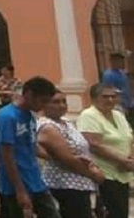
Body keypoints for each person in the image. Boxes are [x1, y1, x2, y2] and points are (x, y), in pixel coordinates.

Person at [0, 76, 61, 218]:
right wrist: (20, 189)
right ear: (29, 95)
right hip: (16, 184)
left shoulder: (29, 116)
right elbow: (7, 155)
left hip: (34, 179)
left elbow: (31, 145)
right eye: (42, 101)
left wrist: (56, 157)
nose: (43, 106)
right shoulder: (7, 117)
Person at [37, 89, 104, 218]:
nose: (61, 105)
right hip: (66, 184)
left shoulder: (66, 122)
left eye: (64, 101)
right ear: (44, 104)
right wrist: (94, 175)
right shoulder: (47, 126)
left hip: (81, 183)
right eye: (56, 102)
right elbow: (68, 159)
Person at [77, 83, 134, 218]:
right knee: (112, 211)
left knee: (122, 211)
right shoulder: (88, 115)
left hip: (123, 172)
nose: (110, 100)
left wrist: (130, 158)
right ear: (94, 98)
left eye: (113, 96)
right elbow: (94, 144)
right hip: (105, 172)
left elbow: (129, 137)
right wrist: (122, 160)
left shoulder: (118, 114)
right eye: (105, 97)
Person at [101, 53, 134, 126]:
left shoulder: (122, 73)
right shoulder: (108, 74)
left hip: (129, 103)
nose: (121, 63)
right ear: (112, 61)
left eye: (121, 61)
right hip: (119, 105)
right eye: (118, 61)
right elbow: (109, 89)